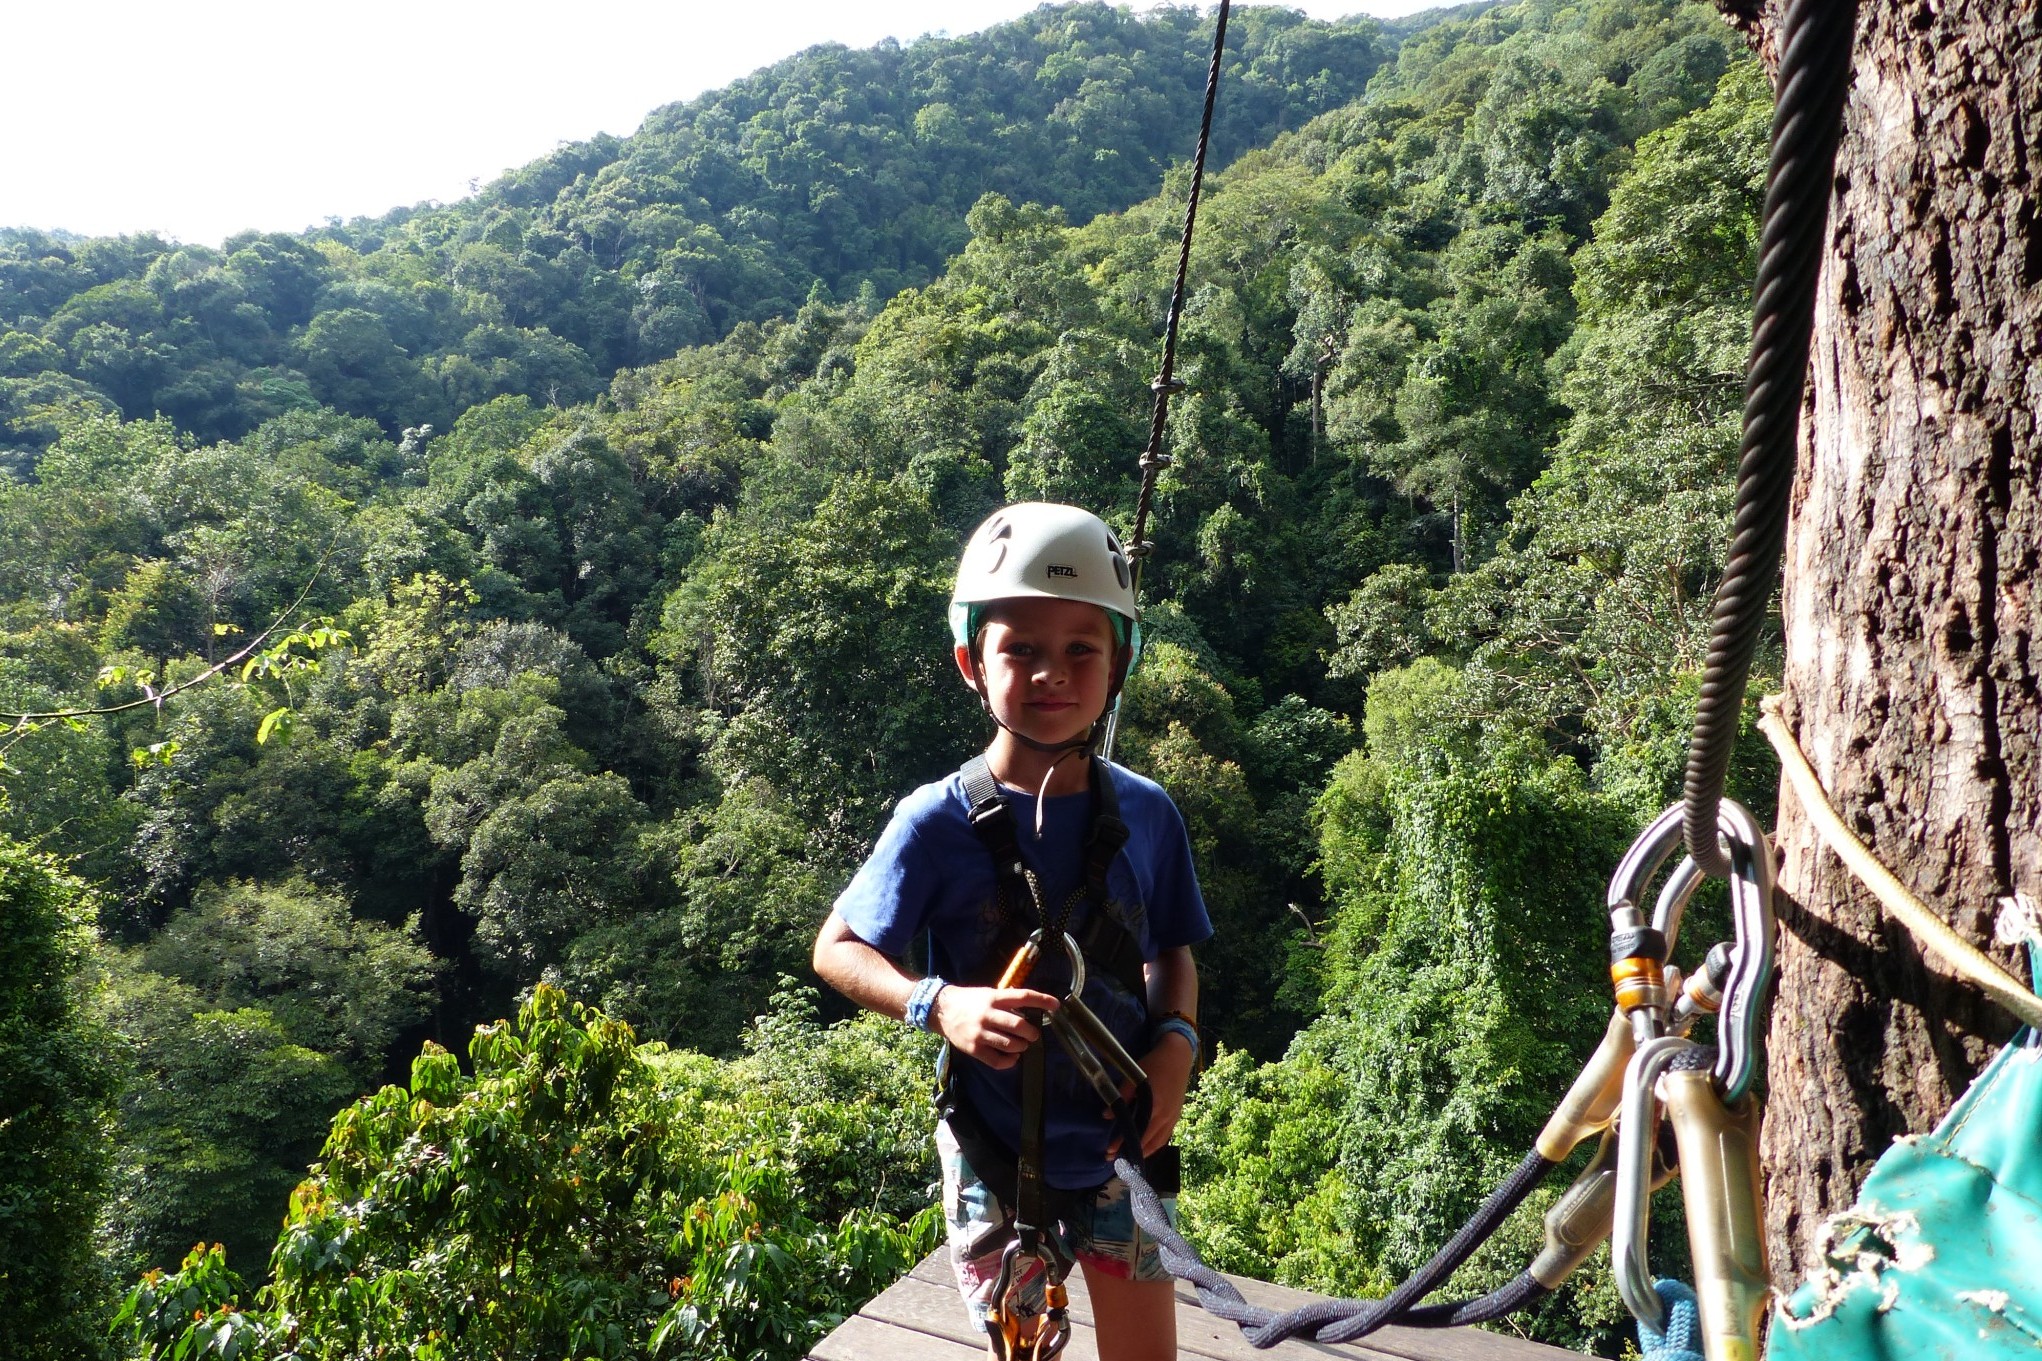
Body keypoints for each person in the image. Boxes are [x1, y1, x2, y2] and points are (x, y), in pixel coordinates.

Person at [813, 502, 1211, 1361]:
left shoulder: (1147, 814)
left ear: (1117, 664)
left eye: (1080, 649)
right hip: (997, 1154)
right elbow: (836, 947)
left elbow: (1168, 950)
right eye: (1020, 648)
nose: (1050, 673)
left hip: (1120, 1145)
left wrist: (1176, 1041)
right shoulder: (934, 822)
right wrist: (937, 1002)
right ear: (972, 662)